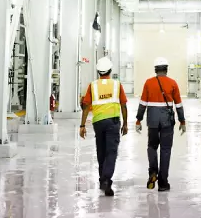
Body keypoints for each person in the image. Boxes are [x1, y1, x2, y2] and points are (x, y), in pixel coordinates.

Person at [79, 57, 129, 197]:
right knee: (111, 152)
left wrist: (82, 125)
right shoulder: (116, 85)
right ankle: (106, 179)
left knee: (101, 151)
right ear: (110, 70)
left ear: (98, 71)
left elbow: (86, 106)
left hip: (98, 122)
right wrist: (125, 123)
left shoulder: (93, 85)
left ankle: (102, 180)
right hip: (113, 122)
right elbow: (124, 105)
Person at [135, 57, 186, 192]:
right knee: (165, 149)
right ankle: (163, 183)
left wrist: (138, 120)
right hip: (167, 121)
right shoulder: (173, 83)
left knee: (152, 146)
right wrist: (182, 121)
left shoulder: (148, 83)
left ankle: (153, 172)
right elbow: (179, 105)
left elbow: (143, 103)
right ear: (166, 69)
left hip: (152, 120)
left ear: (155, 70)